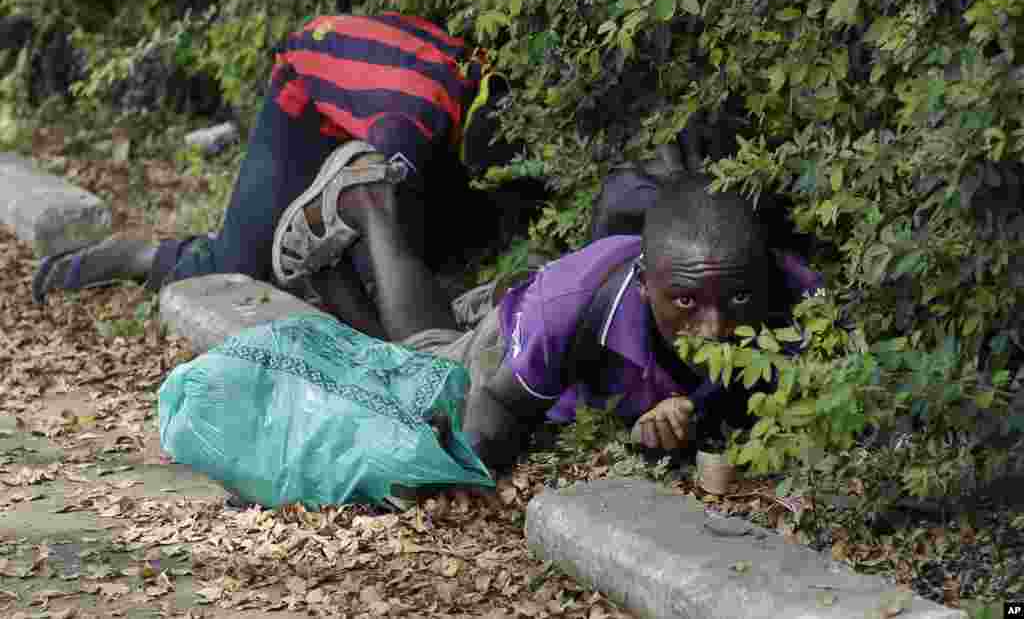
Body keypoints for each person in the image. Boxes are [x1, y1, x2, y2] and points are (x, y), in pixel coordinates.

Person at [270, 150, 821, 470]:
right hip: (517, 332)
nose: (716, 326)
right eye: (684, 300)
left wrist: (658, 433)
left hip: (545, 307)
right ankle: (367, 204)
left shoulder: (797, 298)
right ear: (642, 283)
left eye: (741, 298)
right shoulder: (572, 308)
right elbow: (494, 423)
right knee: (423, 374)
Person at [31, 12, 523, 339]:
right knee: (236, 265)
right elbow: (385, 224)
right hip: (304, 101)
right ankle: (135, 255)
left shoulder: (480, 82)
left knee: (422, 237)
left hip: (360, 89)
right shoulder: (410, 124)